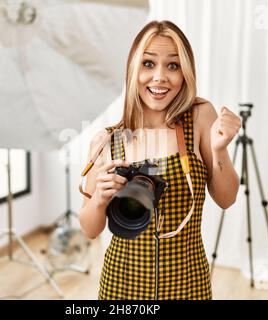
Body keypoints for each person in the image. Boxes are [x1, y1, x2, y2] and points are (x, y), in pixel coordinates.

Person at [79, 20, 241, 300]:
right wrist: (98, 200)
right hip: (122, 285)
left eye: (173, 65)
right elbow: (91, 230)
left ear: (185, 73)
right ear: (133, 70)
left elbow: (227, 199)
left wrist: (220, 150)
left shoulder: (200, 117)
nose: (160, 77)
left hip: (189, 283)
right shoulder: (107, 140)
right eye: (148, 64)